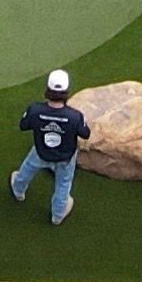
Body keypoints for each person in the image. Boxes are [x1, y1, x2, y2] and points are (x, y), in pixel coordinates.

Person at [10, 69, 91, 225]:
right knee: (63, 184)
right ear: (66, 92)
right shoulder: (75, 116)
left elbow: (23, 125)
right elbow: (85, 133)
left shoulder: (35, 109)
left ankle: (18, 190)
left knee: (27, 168)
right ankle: (57, 215)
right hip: (65, 157)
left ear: (48, 89)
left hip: (41, 151)